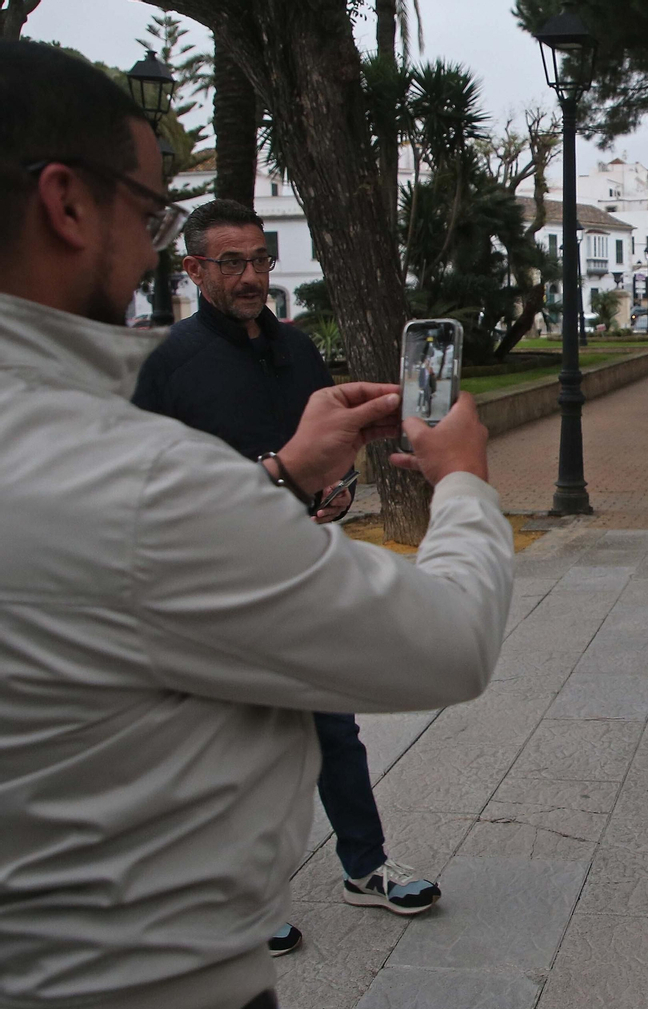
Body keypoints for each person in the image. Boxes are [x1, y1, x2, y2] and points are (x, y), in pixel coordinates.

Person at [0, 42, 513, 1009]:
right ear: (67, 204)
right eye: (147, 213)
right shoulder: (142, 476)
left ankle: (363, 861)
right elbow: (450, 642)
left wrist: (288, 475)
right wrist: (461, 482)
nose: (151, 247)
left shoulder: (242, 383)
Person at [132, 199, 444, 961]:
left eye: (260, 260)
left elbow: (329, 452)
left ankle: (365, 867)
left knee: (333, 729)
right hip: (211, 583)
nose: (250, 276)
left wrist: (339, 491)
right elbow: (145, 487)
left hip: (302, 568)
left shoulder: (298, 350)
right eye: (231, 263)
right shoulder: (165, 365)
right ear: (194, 269)